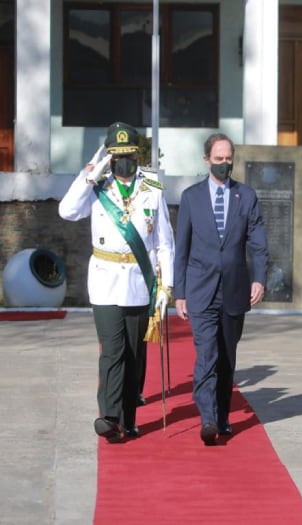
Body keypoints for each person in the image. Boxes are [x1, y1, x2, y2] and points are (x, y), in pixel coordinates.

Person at [58, 121, 174, 443]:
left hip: (139, 283)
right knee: (112, 351)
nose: (124, 160)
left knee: (134, 355)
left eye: (129, 154)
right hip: (105, 283)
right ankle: (108, 417)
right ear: (110, 157)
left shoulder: (151, 189)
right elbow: (66, 211)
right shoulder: (97, 188)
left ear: (137, 155)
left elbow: (165, 242)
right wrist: (89, 174)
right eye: (117, 155)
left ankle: (128, 419)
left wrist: (167, 287)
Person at [174, 133, 268, 446]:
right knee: (206, 354)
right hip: (201, 289)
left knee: (227, 356)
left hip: (234, 289)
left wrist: (259, 278)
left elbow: (257, 242)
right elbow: (182, 249)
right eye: (218, 159)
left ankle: (224, 417)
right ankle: (208, 418)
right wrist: (180, 292)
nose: (224, 164)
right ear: (206, 161)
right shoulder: (191, 197)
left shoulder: (247, 196)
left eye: (228, 159)